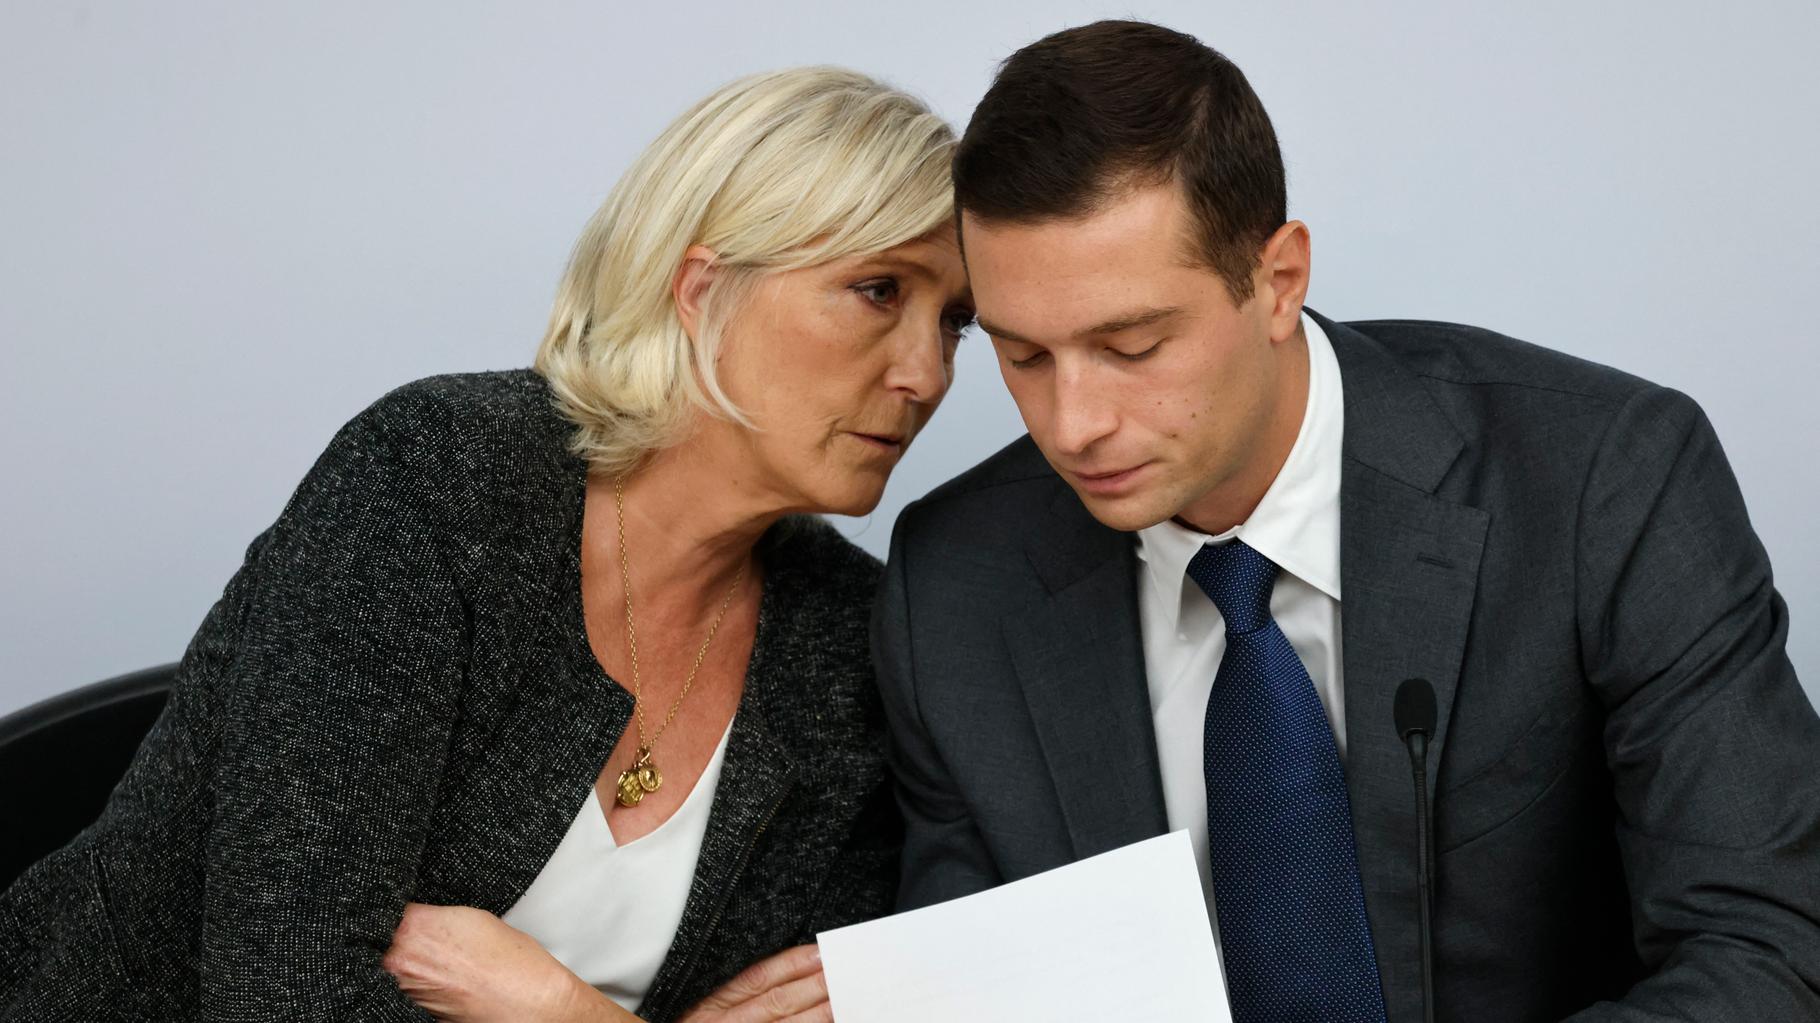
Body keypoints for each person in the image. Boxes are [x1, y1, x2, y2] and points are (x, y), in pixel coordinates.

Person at [872, 19, 1820, 1022]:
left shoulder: (1600, 480)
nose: (1073, 424)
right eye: (1022, 357)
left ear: (1278, 280)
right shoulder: (953, 587)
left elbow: (1768, 941)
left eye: (1132, 345)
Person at [0, 66, 972, 1023]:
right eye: (879, 290)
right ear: (699, 288)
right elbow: (284, 991)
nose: (925, 374)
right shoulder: (442, 475)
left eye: (955, 323)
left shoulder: (850, 640)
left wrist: (555, 1008)